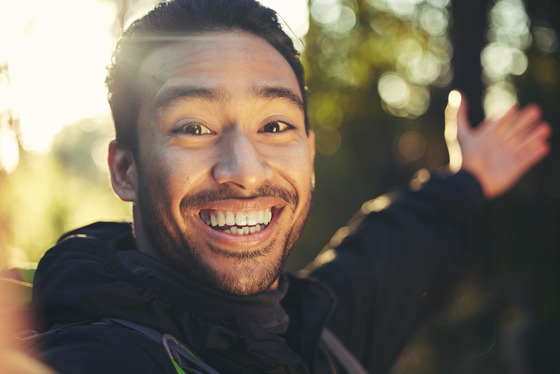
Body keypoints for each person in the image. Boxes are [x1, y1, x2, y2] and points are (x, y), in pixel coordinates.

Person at [28, 0, 551, 373]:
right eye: (194, 128)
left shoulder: (318, 333)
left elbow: (393, 251)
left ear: (310, 152)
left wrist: (469, 180)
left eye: (274, 126)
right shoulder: (96, 354)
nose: (246, 170)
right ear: (125, 171)